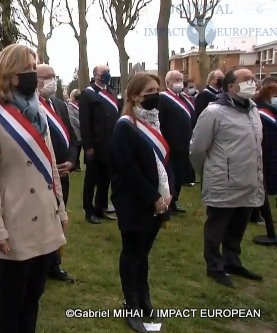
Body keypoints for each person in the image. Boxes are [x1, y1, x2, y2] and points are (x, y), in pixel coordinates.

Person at [0, 44, 67, 333]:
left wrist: (61, 210)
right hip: (14, 223)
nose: (34, 76)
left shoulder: (39, 113)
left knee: (34, 297)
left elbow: (51, 165)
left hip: (44, 218)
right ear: (11, 75)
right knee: (13, 301)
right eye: (28, 69)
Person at [190, 67, 264, 288]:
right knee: (217, 226)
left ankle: (232, 261)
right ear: (231, 87)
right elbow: (197, 149)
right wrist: (207, 173)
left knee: (238, 225)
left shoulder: (253, 110)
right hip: (223, 181)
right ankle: (214, 266)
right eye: (246, 80)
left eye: (253, 79)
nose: (252, 82)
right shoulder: (214, 112)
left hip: (248, 180)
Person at [111, 73, 172, 333]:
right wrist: (153, 198)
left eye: (157, 90)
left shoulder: (154, 122)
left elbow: (162, 161)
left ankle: (144, 295)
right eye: (150, 91)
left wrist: (167, 194)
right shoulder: (125, 126)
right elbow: (127, 169)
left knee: (144, 253)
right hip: (135, 202)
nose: (155, 95)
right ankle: (132, 303)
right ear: (135, 96)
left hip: (157, 202)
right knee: (132, 252)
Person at [37, 63, 77, 283]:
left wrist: (71, 161)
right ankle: (41, 265)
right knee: (43, 219)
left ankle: (55, 264)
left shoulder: (60, 106)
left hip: (64, 173)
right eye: (46, 76)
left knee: (59, 219)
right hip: (43, 174)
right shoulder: (31, 107)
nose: (52, 80)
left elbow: (71, 136)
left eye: (54, 76)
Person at [80, 65, 119, 224]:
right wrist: (88, 146)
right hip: (95, 145)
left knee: (105, 179)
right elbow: (85, 122)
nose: (107, 75)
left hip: (110, 144)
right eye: (104, 73)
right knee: (91, 180)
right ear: (95, 75)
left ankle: (100, 208)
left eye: (108, 72)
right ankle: (89, 211)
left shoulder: (111, 93)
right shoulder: (88, 94)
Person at [159, 70, 194, 214]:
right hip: (170, 142)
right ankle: (167, 201)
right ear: (167, 82)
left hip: (185, 142)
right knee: (170, 175)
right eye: (175, 79)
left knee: (180, 174)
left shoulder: (184, 98)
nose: (179, 82)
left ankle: (174, 201)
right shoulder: (163, 98)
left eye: (180, 79)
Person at [252, 77, 277, 225]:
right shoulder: (258, 108)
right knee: (259, 183)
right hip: (262, 150)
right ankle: (255, 213)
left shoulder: (268, 107)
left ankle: (259, 212)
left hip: (270, 149)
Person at [68, 89, 81, 171]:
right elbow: (72, 118)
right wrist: (81, 124)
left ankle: (77, 164)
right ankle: (74, 164)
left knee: (79, 148)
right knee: (75, 147)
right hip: (75, 129)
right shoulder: (70, 106)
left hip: (81, 130)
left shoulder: (80, 105)